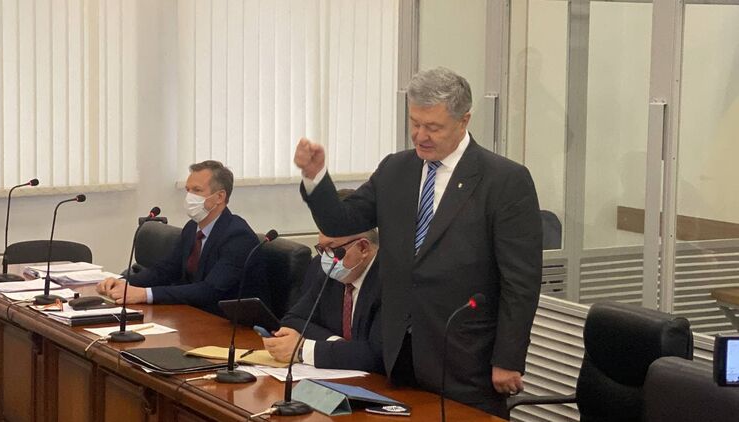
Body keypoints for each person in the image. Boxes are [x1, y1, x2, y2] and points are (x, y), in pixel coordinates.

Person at [293, 67, 542, 418]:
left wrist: (508, 358)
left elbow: (521, 281)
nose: (420, 136)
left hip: (465, 358)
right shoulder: (396, 169)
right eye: (415, 123)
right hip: (398, 353)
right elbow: (341, 222)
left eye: (433, 127)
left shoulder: (504, 180)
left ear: (464, 120)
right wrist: (315, 177)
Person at [97, 160, 268, 317]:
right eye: (188, 190)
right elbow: (166, 270)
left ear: (219, 197)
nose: (189, 197)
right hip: (194, 314)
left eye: (197, 190)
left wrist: (144, 294)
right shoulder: (192, 228)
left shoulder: (238, 236)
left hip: (230, 324)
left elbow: (210, 290)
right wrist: (123, 282)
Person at [262, 225, 383, 374]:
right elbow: (293, 319)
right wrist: (336, 343)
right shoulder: (329, 271)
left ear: (363, 248)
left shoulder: (392, 283)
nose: (326, 258)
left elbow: (378, 354)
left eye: (332, 249)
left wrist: (303, 349)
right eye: (322, 249)